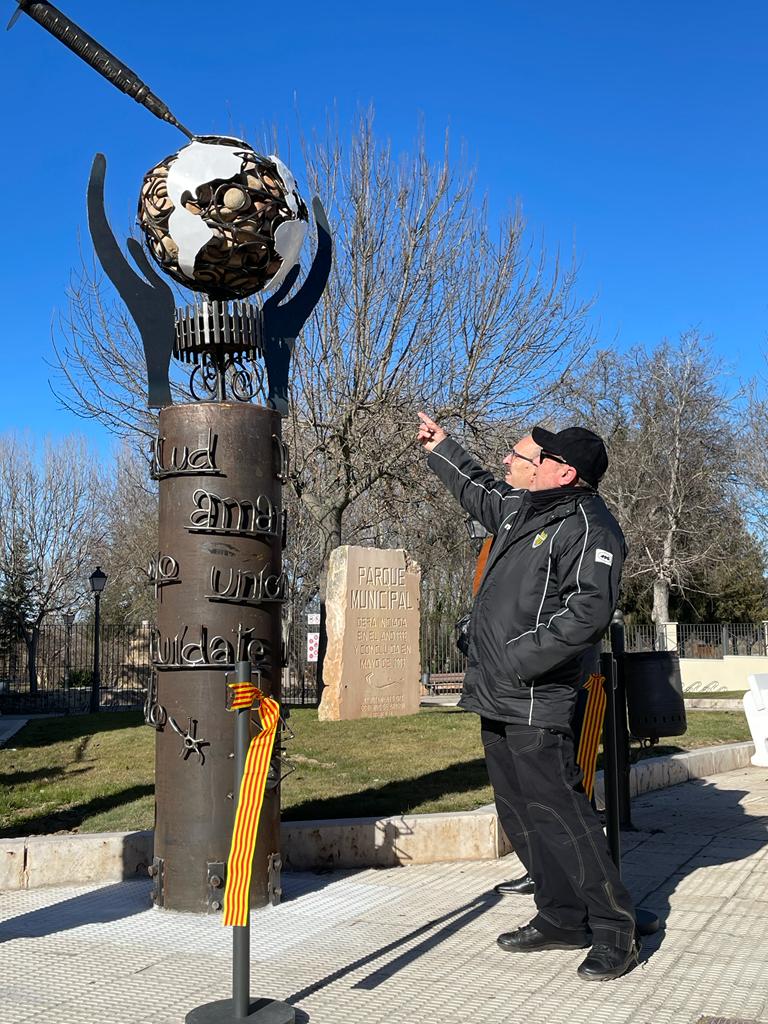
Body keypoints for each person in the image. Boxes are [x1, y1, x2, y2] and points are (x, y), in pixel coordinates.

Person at [417, 412, 638, 982]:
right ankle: (561, 917)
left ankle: (615, 930)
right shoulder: (523, 509)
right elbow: (479, 489)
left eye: (534, 457)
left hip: (537, 695)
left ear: (564, 473)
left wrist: (518, 658)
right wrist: (442, 447)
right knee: (519, 814)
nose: (518, 463)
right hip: (495, 694)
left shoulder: (591, 528)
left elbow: (587, 613)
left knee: (561, 815)